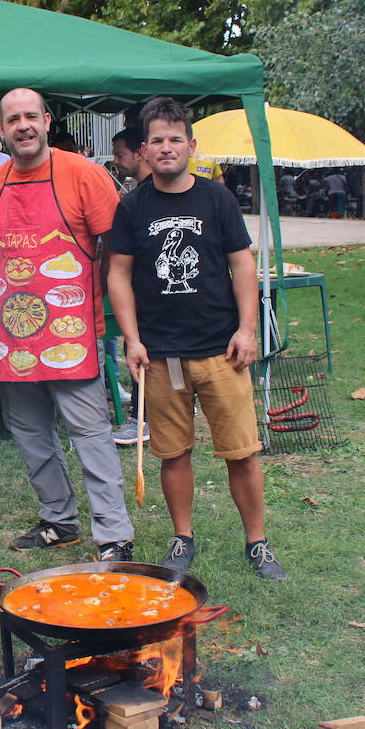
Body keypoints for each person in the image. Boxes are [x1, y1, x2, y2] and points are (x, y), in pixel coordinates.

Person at [107, 96, 285, 580]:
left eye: (175, 139)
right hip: (162, 354)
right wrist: (132, 338)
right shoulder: (132, 207)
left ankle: (257, 542)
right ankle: (182, 537)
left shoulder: (216, 199)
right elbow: (119, 275)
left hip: (220, 350)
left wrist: (247, 330)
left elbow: (243, 263)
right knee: (173, 453)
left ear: (191, 145)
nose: (167, 148)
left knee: (242, 452)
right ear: (144, 149)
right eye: (157, 141)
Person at [0, 88, 135, 562]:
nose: (23, 125)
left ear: (46, 120)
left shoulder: (84, 174)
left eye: (30, 116)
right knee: (29, 433)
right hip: (13, 334)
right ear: (0, 130)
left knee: (91, 434)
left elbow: (116, 253)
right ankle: (58, 520)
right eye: (12, 119)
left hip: (74, 331)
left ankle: (114, 535)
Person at [108, 126, 150, 446]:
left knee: (140, 349)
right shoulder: (134, 196)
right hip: (138, 291)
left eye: (120, 154)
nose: (115, 161)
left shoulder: (144, 198)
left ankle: (143, 419)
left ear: (140, 152)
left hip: (148, 293)